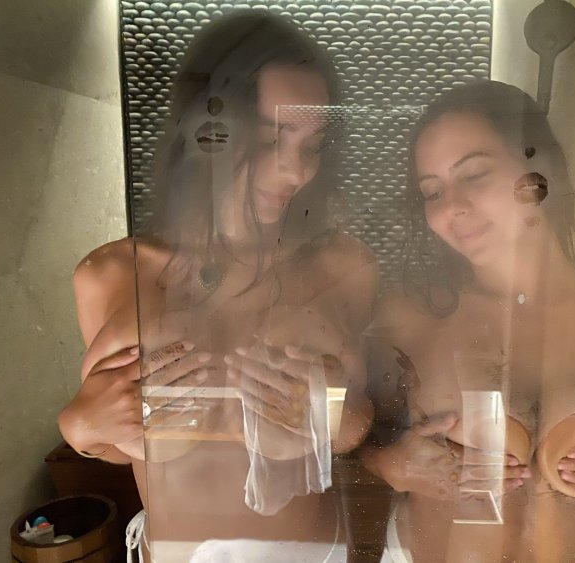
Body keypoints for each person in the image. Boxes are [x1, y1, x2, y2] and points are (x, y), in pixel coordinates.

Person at [58, 10, 378, 562]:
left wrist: (330, 412)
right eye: (270, 138)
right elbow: (124, 441)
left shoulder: (343, 266)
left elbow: (357, 428)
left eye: (313, 145)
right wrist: (81, 426)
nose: (296, 171)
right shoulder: (111, 273)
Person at [362, 81, 575, 562]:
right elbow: (342, 429)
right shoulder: (411, 315)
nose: (452, 207)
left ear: (540, 173)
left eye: (475, 174)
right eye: (431, 191)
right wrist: (390, 464)